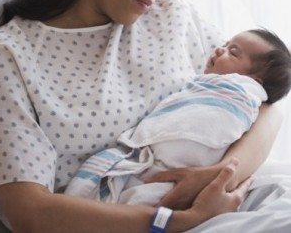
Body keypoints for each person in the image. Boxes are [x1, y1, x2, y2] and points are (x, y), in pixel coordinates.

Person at [0, 0, 282, 232]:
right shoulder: (11, 58)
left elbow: (266, 107)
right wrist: (179, 221)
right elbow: (30, 210)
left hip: (232, 200)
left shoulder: (169, 12)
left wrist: (221, 175)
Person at [64, 28, 291, 206]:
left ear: (254, 82)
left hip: (181, 167)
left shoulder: (239, 93)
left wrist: (218, 174)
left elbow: (266, 113)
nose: (220, 49)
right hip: (152, 164)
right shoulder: (208, 84)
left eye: (233, 52)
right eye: (225, 44)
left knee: (148, 197)